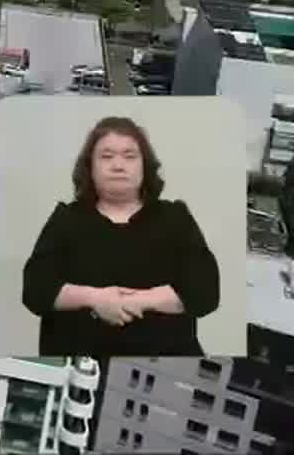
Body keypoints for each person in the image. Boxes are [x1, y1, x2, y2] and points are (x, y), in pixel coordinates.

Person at [21, 115, 221, 356]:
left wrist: (140, 301)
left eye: (129, 156)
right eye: (106, 157)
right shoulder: (67, 219)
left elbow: (205, 292)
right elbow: (35, 290)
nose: (118, 165)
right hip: (82, 365)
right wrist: (96, 299)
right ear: (90, 168)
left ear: (144, 166)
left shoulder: (174, 217)